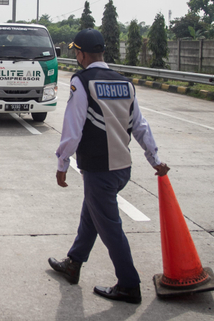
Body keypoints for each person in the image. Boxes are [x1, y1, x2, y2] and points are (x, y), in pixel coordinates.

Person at [48, 28, 170, 304]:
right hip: (122, 168)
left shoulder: (82, 82)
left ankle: (129, 284)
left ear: (81, 53)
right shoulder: (124, 83)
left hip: (98, 168)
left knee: (110, 228)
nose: (76, 57)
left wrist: (62, 161)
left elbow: (73, 127)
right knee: (92, 214)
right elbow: (139, 125)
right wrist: (155, 159)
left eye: (76, 52)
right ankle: (74, 262)